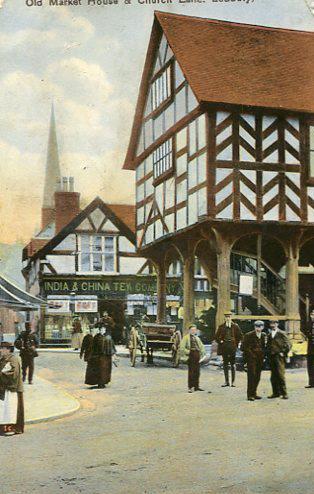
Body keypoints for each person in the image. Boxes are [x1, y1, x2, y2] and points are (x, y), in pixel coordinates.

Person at [0, 342, 24, 435]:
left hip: (11, 389)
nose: (1, 350)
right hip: (4, 388)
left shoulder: (13, 360)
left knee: (11, 408)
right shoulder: (3, 359)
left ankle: (11, 429)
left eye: (2, 348)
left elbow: (11, 374)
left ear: (8, 349)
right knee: (4, 408)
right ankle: (4, 428)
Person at [215, 311, 243, 387]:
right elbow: (216, 337)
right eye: (226, 317)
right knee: (225, 363)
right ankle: (226, 381)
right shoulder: (221, 327)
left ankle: (233, 382)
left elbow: (240, 336)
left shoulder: (235, 326)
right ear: (225, 318)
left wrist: (237, 343)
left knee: (233, 363)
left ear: (231, 317)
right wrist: (220, 341)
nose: (228, 318)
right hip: (224, 346)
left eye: (229, 317)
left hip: (232, 346)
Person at [266, 320, 291, 399]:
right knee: (273, 376)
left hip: (279, 356)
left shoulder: (282, 333)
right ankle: (275, 393)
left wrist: (283, 352)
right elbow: (268, 345)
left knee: (280, 375)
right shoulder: (269, 334)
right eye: (271, 323)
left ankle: (284, 393)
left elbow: (289, 344)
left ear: (277, 324)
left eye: (274, 323)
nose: (273, 325)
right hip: (272, 356)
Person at [242, 321, 266, 401]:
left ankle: (254, 393)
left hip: (260, 359)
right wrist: (251, 355)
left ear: (262, 327)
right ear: (254, 327)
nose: (258, 328)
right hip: (251, 359)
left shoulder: (263, 335)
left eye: (260, 326)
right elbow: (244, 347)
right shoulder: (248, 335)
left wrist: (264, 355)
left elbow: (264, 346)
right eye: (256, 326)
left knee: (257, 376)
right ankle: (250, 395)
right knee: (251, 376)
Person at [180, 324, 206, 393]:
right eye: (192, 330)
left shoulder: (197, 338)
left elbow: (201, 347)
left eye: (194, 330)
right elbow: (182, 348)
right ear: (189, 330)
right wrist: (189, 352)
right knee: (191, 371)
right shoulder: (186, 338)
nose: (193, 331)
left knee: (197, 371)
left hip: (197, 355)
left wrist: (203, 354)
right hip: (191, 355)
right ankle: (190, 387)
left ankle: (196, 386)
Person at [301, 309, 314, 388]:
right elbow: (305, 331)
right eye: (312, 314)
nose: (312, 315)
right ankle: (311, 383)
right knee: (310, 365)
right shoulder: (309, 324)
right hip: (311, 348)